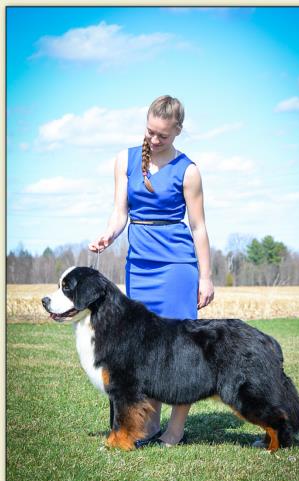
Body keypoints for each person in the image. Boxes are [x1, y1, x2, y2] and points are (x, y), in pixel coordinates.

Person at [89, 95, 214, 447]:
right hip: (139, 266)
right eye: (150, 132)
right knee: (145, 348)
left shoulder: (189, 170)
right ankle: (150, 424)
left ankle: (175, 429)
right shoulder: (124, 160)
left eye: (163, 135)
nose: (154, 140)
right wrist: (108, 235)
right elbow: (119, 213)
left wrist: (205, 276)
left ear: (178, 131)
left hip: (177, 266)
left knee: (181, 348)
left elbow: (199, 227)